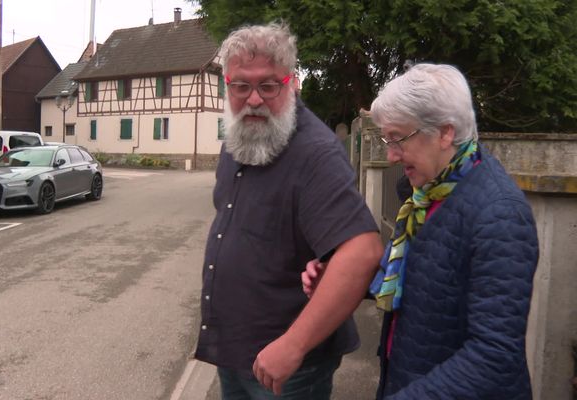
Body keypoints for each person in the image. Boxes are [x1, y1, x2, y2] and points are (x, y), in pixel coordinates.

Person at [303, 63, 539, 399]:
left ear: (445, 132)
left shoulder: (500, 214)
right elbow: (418, 277)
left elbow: (494, 356)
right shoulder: (427, 194)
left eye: (398, 139)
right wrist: (337, 276)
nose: (391, 155)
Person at [194, 22, 384, 399]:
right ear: (227, 85)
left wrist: (293, 345)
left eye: (267, 85)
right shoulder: (239, 137)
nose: (253, 99)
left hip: (288, 368)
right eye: (241, 86)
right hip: (235, 350)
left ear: (291, 83)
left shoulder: (315, 153)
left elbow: (362, 252)